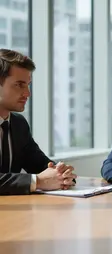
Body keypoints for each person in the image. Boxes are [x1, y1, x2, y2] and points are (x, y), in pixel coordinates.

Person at [0, 48, 77, 195]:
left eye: (28, 85)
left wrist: (61, 174)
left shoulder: (18, 124)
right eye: (19, 84)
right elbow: (40, 178)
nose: (27, 93)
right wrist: (38, 181)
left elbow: (39, 164)